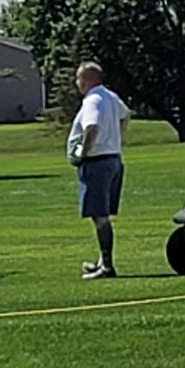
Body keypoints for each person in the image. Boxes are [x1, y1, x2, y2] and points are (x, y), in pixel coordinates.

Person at [68, 63, 129, 279]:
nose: (77, 83)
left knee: (99, 216)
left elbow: (91, 127)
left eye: (79, 78)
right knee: (102, 214)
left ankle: (107, 266)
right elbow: (125, 115)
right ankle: (102, 261)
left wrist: (84, 151)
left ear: (87, 79)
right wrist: (114, 138)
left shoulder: (92, 100)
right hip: (114, 159)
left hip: (97, 162)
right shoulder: (110, 97)